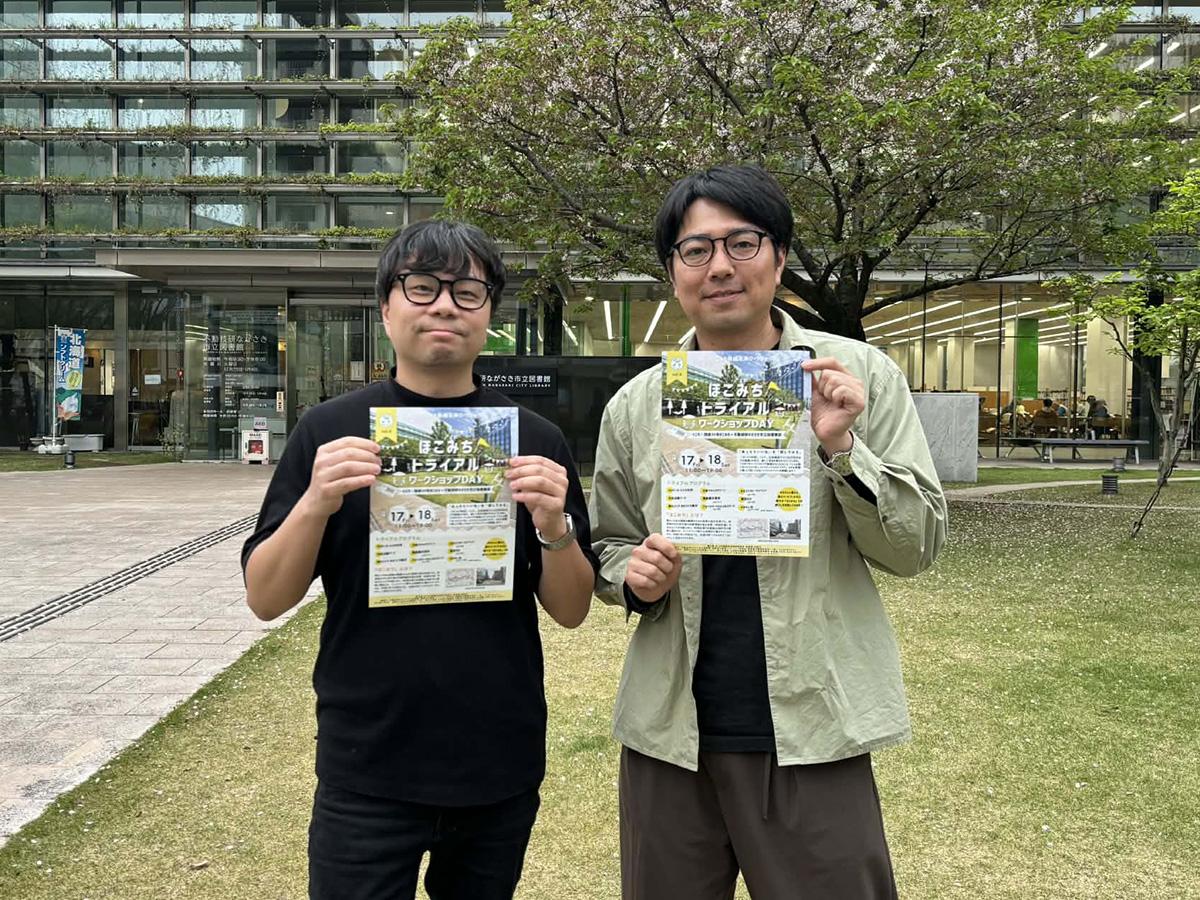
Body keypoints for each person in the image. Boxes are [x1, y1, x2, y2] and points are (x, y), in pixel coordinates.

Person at [588, 164, 948, 900]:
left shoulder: (857, 376)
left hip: (815, 722)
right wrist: (632, 575)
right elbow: (609, 542)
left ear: (779, 258)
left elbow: (915, 547)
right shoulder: (636, 405)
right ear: (673, 272)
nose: (720, 266)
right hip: (671, 731)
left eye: (742, 243)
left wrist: (842, 448)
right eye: (696, 250)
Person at [241, 219, 598, 900]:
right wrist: (315, 501)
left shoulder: (533, 440)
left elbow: (572, 609)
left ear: (490, 315)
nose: (445, 306)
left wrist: (554, 525)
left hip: (497, 758)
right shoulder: (329, 432)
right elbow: (265, 597)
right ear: (386, 308)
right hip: (366, 761)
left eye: (467, 292)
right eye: (423, 287)